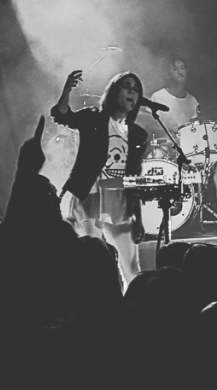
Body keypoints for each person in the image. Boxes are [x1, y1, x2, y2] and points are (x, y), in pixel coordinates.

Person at [52, 69, 149, 286]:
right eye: (126, 87)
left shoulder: (138, 134)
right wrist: (67, 89)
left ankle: (133, 307)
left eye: (135, 89)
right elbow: (62, 115)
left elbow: (134, 176)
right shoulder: (93, 118)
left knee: (132, 267)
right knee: (93, 262)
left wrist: (138, 218)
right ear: (114, 92)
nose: (131, 92)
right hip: (90, 196)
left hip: (120, 203)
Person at [147, 57, 217, 208]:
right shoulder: (158, 97)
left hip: (189, 148)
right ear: (168, 74)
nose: (180, 72)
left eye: (182, 68)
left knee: (214, 161)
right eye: (175, 69)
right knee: (155, 160)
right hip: (167, 146)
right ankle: (155, 206)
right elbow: (149, 124)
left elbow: (194, 127)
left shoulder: (192, 100)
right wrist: (170, 137)